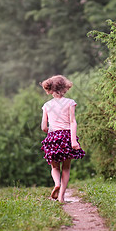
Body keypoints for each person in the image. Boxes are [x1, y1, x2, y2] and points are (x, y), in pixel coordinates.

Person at [40, 75, 85, 203]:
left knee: (54, 167)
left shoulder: (47, 105)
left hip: (53, 137)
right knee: (66, 167)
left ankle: (56, 184)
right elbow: (73, 122)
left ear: (50, 89)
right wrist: (73, 141)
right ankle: (61, 196)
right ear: (65, 87)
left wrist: (51, 132)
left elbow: (43, 127)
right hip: (66, 136)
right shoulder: (70, 102)